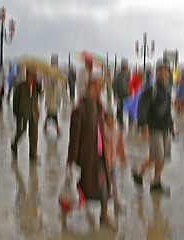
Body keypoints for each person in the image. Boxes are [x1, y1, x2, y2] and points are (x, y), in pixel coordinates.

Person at [66, 74, 117, 229]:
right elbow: (74, 139)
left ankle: (104, 215)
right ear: (87, 87)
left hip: (100, 155)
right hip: (86, 158)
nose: (97, 90)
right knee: (80, 186)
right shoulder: (79, 111)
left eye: (100, 87)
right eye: (94, 86)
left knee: (105, 186)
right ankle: (65, 204)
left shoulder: (99, 107)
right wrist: (71, 161)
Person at [133, 59, 174, 191]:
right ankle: (147, 176)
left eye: (165, 71)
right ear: (156, 73)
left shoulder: (167, 91)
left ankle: (149, 178)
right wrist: (144, 126)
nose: (163, 73)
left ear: (169, 73)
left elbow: (168, 110)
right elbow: (142, 109)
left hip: (165, 128)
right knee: (158, 156)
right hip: (154, 128)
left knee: (159, 156)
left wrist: (171, 125)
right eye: (160, 70)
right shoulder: (151, 90)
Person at [11, 64, 42, 160]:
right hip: (22, 113)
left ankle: (33, 155)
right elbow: (15, 101)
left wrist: (40, 86)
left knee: (34, 135)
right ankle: (14, 144)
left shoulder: (37, 86)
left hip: (34, 113)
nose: (34, 77)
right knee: (21, 131)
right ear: (28, 75)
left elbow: (41, 95)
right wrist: (16, 114)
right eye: (33, 75)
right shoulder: (20, 86)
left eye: (35, 75)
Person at [103, 107, 127, 211]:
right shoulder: (101, 130)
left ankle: (116, 201)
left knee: (115, 181)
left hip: (112, 161)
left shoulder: (117, 130)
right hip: (102, 162)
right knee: (102, 184)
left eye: (113, 117)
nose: (112, 120)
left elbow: (120, 144)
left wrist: (122, 157)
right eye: (110, 118)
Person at [112, 58, 130, 128]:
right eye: (125, 66)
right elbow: (114, 85)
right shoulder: (118, 75)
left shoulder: (127, 75)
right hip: (119, 95)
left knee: (124, 108)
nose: (126, 68)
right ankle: (120, 121)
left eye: (127, 66)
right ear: (122, 66)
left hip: (126, 95)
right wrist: (115, 94)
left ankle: (122, 120)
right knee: (119, 108)